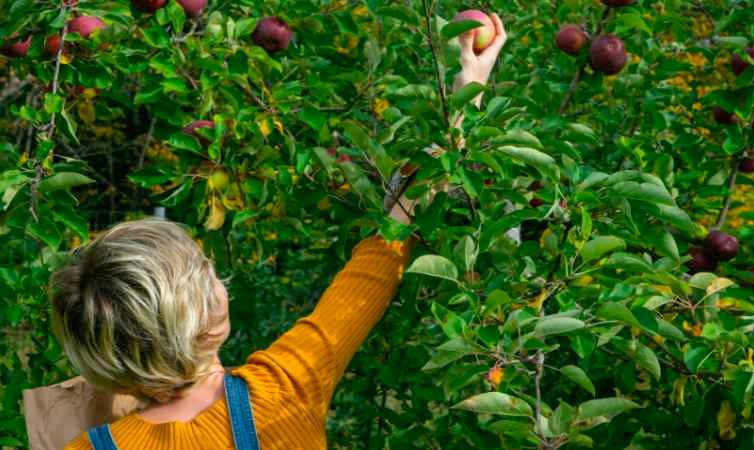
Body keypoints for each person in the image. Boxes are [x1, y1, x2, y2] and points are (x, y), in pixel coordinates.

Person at [35, 13, 507, 450]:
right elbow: (373, 269)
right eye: (207, 276)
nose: (218, 280)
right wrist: (464, 100)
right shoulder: (284, 390)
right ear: (207, 327)